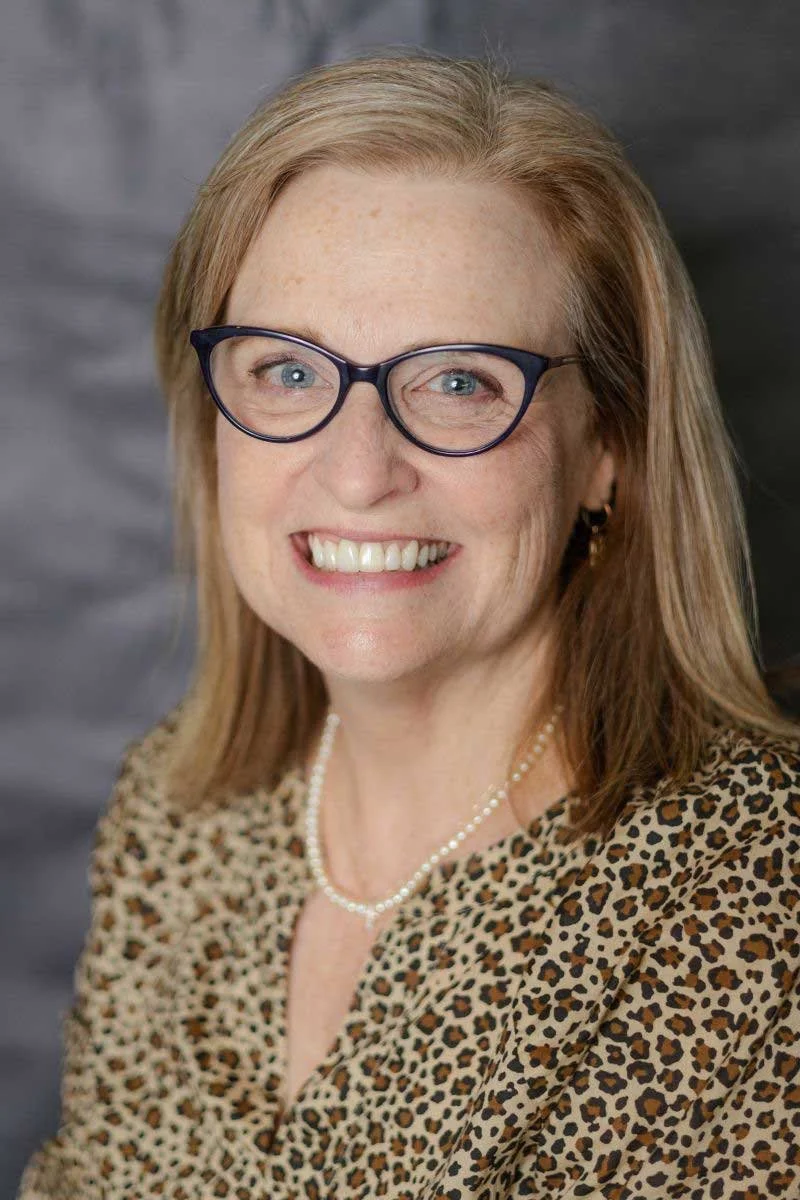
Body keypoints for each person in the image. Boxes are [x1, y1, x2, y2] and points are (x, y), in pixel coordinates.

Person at [19, 50, 800, 1200]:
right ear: (212, 426)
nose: (356, 473)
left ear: (608, 451)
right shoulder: (177, 824)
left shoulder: (757, 901)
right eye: (286, 370)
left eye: (457, 383)